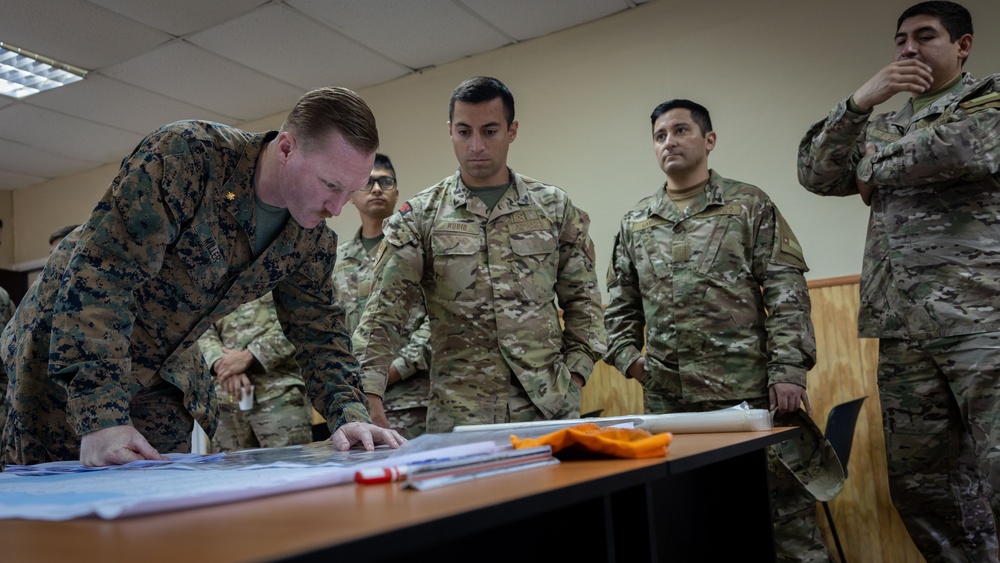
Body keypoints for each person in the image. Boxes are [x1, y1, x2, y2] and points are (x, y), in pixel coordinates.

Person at [1, 86, 404, 467]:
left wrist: (349, 416)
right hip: (64, 356)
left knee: (159, 510)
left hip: (164, 372)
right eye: (329, 184)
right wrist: (100, 416)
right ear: (286, 148)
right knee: (51, 511)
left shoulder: (310, 240)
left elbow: (320, 333)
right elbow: (102, 279)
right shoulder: (188, 158)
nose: (336, 208)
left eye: (348, 191)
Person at [798, 2, 1000, 560]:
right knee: (922, 488)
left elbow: (958, 149)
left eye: (925, 36)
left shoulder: (987, 97)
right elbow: (816, 171)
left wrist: (870, 164)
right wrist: (861, 102)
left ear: (963, 46)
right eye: (900, 40)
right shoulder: (883, 120)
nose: (908, 48)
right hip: (902, 326)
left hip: (982, 320)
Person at [605, 99, 828, 561]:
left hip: (749, 395)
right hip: (672, 406)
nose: (670, 141)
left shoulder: (748, 205)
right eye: (660, 135)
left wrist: (788, 369)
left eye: (681, 130)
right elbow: (620, 308)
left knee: (782, 522)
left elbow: (786, 289)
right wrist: (632, 362)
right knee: (689, 521)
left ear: (708, 140)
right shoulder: (635, 223)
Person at [353, 76, 606, 433]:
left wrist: (576, 375)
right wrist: (370, 392)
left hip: (548, 408)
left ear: (512, 130)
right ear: (450, 132)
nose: (476, 145)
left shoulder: (553, 206)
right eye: (464, 132)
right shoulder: (421, 216)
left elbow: (584, 301)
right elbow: (383, 314)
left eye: (489, 131)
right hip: (459, 416)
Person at [333, 153, 431, 439]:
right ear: (351, 195)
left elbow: (436, 321)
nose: (377, 189)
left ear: (396, 191)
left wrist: (396, 369)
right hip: (356, 403)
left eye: (385, 181)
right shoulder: (337, 259)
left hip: (411, 399)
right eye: (368, 182)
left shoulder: (415, 250)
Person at [198, 293, 314, 452]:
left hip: (278, 393)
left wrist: (251, 355)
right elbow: (199, 325)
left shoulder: (281, 269)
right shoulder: (212, 273)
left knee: (286, 471)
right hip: (224, 398)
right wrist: (220, 362)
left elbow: (301, 316)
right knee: (227, 474)